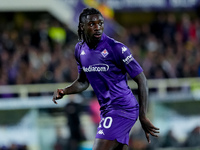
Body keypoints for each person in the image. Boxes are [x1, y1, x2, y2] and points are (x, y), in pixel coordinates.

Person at [52, 7, 159, 150]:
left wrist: (143, 115)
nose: (98, 27)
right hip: (107, 110)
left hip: (123, 108)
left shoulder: (116, 48)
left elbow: (142, 80)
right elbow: (83, 82)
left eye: (100, 23)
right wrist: (65, 91)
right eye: (92, 24)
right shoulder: (80, 50)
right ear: (82, 27)